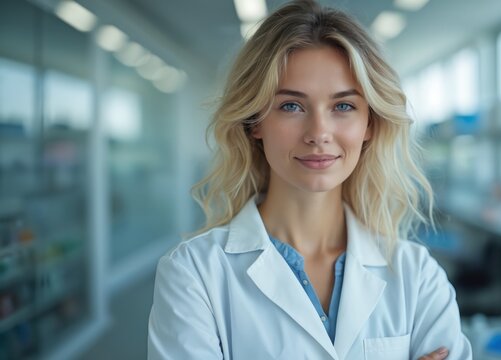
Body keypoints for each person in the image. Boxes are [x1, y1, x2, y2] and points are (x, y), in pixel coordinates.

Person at [147, 1, 472, 359]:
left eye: (343, 106)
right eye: (291, 106)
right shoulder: (194, 273)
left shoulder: (416, 274)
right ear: (255, 122)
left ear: (370, 124)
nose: (319, 133)